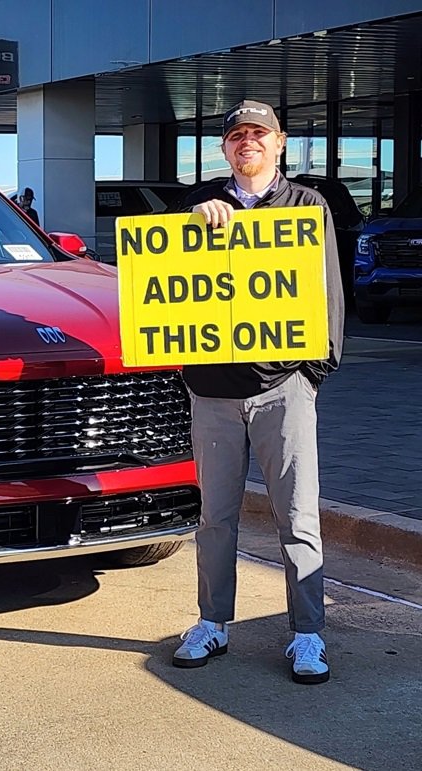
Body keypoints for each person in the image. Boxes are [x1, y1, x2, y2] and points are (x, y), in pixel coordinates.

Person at [170, 100, 344, 685]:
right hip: (213, 390)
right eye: (238, 134)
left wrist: (314, 372)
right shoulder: (194, 205)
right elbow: (160, 289)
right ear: (225, 148)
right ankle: (213, 622)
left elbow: (328, 293)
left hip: (284, 388)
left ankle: (307, 634)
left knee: (297, 517)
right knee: (215, 517)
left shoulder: (305, 206)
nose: (248, 141)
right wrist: (194, 217)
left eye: (259, 134)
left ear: (280, 144)